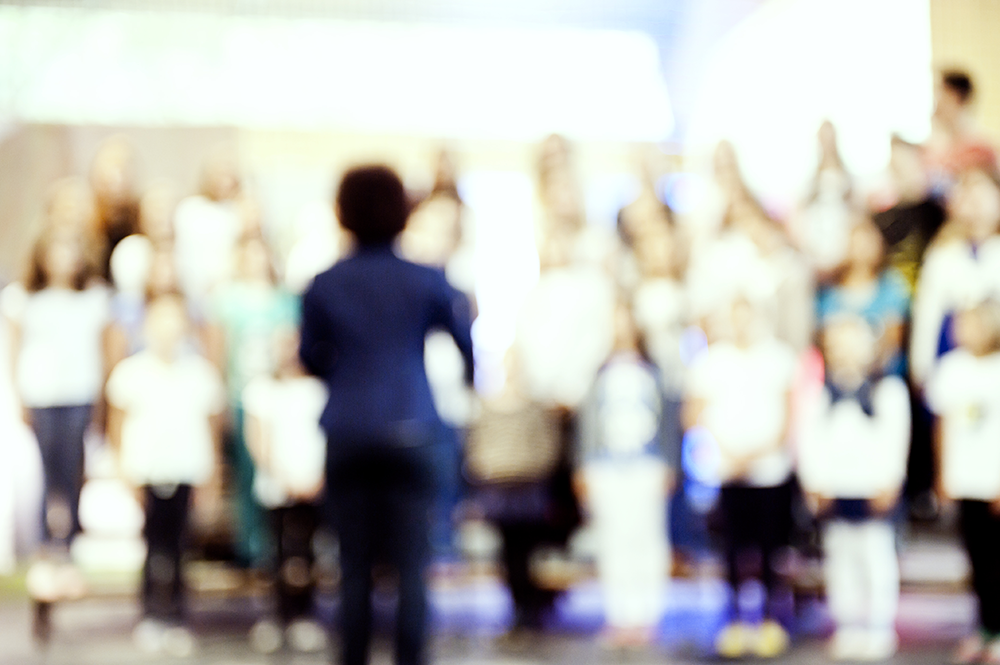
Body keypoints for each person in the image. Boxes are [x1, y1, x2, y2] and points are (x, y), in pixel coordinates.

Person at [299, 165, 474, 665]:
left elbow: (312, 357)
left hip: (349, 431)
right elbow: (465, 344)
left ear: (343, 212)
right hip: (414, 430)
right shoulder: (425, 279)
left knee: (352, 571)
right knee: (413, 570)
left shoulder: (324, 284)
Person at [106, 293, 225, 657]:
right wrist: (124, 470)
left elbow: (212, 428)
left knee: (179, 548)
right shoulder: (131, 371)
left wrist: (212, 477)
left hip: (187, 471)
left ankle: (176, 617)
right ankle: (151, 615)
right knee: (153, 547)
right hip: (148, 473)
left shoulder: (200, 372)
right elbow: (117, 425)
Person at [684, 295, 797, 659]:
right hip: (727, 471)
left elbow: (791, 411)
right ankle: (733, 620)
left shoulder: (779, 357)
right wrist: (724, 453)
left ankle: (768, 619)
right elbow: (694, 415)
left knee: (770, 548)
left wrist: (758, 452)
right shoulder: (711, 362)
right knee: (731, 548)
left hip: (770, 470)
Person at [2, 228, 109, 599]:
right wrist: (18, 396)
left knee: (74, 467)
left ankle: (70, 544)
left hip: (79, 391)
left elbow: (103, 348)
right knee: (47, 472)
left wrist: (101, 399)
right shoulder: (22, 298)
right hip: (42, 393)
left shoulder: (93, 297)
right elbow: (14, 350)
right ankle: (45, 545)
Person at [798, 316, 910, 661]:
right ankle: (847, 625)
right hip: (836, 489)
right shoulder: (820, 392)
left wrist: (890, 481)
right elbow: (809, 440)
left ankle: (878, 625)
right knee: (840, 558)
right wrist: (814, 482)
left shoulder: (886, 390)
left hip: (872, 489)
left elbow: (896, 440)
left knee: (876, 558)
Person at [575, 304, 673, 648]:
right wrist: (584, 465)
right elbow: (587, 425)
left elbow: (668, 423)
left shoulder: (654, 373)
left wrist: (669, 464)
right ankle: (619, 616)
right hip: (607, 467)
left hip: (647, 465)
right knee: (613, 542)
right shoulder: (598, 373)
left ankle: (647, 615)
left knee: (646, 539)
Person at [243, 327, 328, 655]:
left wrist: (317, 478)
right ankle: (278, 617)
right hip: (276, 486)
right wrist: (283, 476)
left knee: (309, 554)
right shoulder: (262, 390)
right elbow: (257, 439)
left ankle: (306, 615)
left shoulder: (321, 387)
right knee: (278, 554)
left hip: (315, 485)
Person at [925, 300, 1000, 664]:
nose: (961, 331)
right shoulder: (952, 368)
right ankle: (984, 628)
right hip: (966, 478)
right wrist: (943, 474)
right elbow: (943, 426)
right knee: (977, 560)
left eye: (969, 324)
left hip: (995, 480)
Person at [816, 216, 910, 376]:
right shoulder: (829, 295)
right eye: (856, 243)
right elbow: (824, 344)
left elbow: (894, 341)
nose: (861, 250)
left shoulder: (892, 287)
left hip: (882, 377)